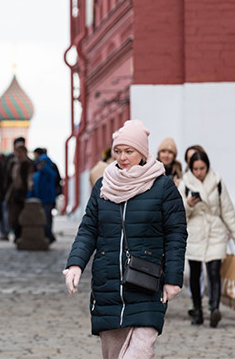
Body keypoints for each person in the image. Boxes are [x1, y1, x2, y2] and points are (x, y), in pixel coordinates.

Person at [64, 119, 186, 358]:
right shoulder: (103, 186)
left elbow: (176, 235)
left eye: (129, 151)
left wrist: (173, 279)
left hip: (147, 283)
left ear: (142, 152)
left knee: (139, 352)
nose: (122, 157)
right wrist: (75, 264)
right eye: (118, 151)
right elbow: (88, 229)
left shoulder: (162, 187)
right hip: (108, 285)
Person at [178, 149, 235, 328]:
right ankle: (197, 310)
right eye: (196, 169)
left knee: (214, 272)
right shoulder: (185, 183)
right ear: (191, 168)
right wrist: (188, 205)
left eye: (202, 168)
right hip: (195, 232)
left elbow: (227, 211)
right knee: (195, 273)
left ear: (207, 166)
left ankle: (214, 309)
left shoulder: (217, 181)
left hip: (215, 232)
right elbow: (177, 212)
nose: (199, 172)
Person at [3, 140, 34, 240]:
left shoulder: (28, 163)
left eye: (21, 152)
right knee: (13, 215)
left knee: (22, 215)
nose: (19, 154)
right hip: (13, 193)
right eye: (17, 152)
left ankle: (21, 235)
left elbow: (30, 176)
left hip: (24, 192)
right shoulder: (12, 163)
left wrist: (30, 185)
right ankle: (17, 235)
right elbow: (8, 178)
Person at [27, 148, 59, 243]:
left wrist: (45, 167)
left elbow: (53, 176)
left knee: (47, 220)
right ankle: (45, 236)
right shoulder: (37, 175)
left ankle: (49, 237)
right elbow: (33, 188)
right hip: (39, 200)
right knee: (41, 220)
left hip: (47, 200)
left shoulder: (49, 173)